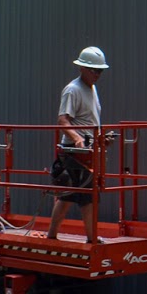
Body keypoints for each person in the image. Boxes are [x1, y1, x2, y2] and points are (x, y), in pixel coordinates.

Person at [45, 46, 109, 241]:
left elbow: (90, 121)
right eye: (94, 70)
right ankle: (91, 238)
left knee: (68, 196)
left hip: (86, 151)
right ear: (82, 68)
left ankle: (52, 235)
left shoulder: (92, 89)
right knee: (85, 196)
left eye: (100, 71)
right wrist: (77, 138)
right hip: (73, 152)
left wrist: (99, 139)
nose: (97, 74)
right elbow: (63, 120)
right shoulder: (73, 90)